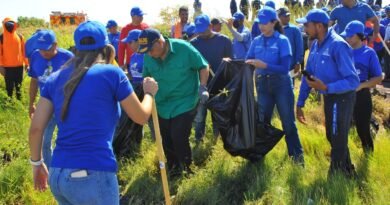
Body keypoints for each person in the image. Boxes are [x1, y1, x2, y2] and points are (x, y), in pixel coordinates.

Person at [28, 21, 158, 204]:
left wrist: (37, 163)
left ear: (76, 47)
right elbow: (141, 116)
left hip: (58, 174)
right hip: (92, 173)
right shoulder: (112, 74)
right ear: (105, 46)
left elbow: (35, 128)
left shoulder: (54, 78)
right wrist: (150, 94)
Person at [296, 9, 360, 177]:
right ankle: (348, 172)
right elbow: (307, 74)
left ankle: (335, 179)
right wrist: (300, 103)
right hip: (330, 97)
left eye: (307, 25)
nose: (304, 29)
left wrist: (326, 88)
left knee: (338, 138)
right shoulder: (315, 45)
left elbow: (353, 81)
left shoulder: (338, 45)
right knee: (332, 136)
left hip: (343, 98)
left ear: (319, 26)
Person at [139, 28, 209, 176]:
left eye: (151, 49)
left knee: (178, 135)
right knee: (166, 138)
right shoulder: (148, 57)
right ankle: (173, 168)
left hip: (185, 101)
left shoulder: (183, 48)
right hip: (162, 104)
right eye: (146, 51)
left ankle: (187, 168)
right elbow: (146, 77)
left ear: (160, 42)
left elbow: (203, 66)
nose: (149, 54)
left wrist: (202, 87)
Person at [246, 7, 304, 163]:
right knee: (262, 121)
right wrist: (232, 63)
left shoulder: (282, 41)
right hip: (262, 85)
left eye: (265, 23)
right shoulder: (256, 41)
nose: (261, 27)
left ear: (273, 23)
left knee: (288, 122)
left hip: (281, 85)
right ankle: (258, 157)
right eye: (259, 23)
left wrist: (264, 65)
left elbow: (285, 68)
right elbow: (248, 60)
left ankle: (297, 158)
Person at [28, 30, 74, 168]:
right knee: (44, 141)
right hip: (45, 105)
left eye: (47, 48)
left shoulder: (68, 57)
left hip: (64, 105)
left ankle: (68, 167)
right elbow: (34, 81)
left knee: (67, 139)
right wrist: (31, 104)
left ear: (55, 45)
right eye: (41, 49)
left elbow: (76, 83)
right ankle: (49, 170)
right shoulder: (35, 56)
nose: (44, 52)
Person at [341, 20, 383, 153]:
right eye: (346, 36)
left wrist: (362, 85)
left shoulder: (369, 53)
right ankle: (342, 159)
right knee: (341, 128)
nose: (347, 38)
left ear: (360, 36)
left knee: (363, 128)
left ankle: (368, 155)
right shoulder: (342, 51)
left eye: (350, 36)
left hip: (361, 95)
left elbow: (378, 77)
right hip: (343, 94)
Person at [191, 14, 233, 142]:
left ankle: (216, 140)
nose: (201, 33)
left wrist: (228, 61)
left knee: (217, 115)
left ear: (210, 26)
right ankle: (199, 140)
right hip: (201, 85)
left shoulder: (224, 40)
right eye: (199, 31)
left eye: (203, 30)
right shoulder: (193, 44)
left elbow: (231, 62)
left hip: (220, 85)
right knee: (200, 116)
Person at [121, 29, 155, 139]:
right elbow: (131, 74)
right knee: (136, 117)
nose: (128, 45)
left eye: (130, 42)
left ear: (138, 41)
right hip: (135, 89)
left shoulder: (148, 56)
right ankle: (137, 140)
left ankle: (157, 140)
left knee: (151, 117)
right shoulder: (133, 56)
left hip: (146, 89)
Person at [0, 17, 29, 100]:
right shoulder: (1, 37)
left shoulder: (20, 37)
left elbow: (24, 52)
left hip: (19, 67)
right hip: (7, 68)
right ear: (4, 25)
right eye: (8, 24)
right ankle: (10, 104)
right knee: (9, 88)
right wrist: (0, 66)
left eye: (12, 24)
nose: (10, 26)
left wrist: (27, 64)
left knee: (19, 87)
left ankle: (19, 103)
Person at [277, 7, 304, 81]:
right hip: (277, 65)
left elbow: (299, 47)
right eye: (285, 16)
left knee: (289, 86)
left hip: (291, 65)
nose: (287, 18)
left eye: (288, 16)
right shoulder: (275, 29)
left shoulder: (295, 29)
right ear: (279, 17)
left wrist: (298, 62)